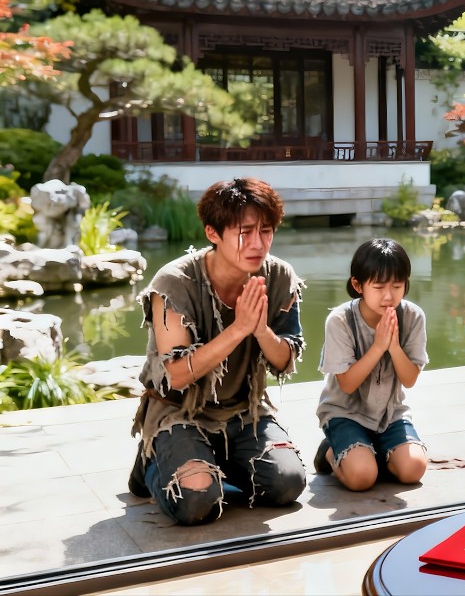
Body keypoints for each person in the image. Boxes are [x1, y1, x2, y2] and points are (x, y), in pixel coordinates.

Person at [128, 177, 307, 526]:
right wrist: (239, 328)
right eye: (245, 232)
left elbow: (285, 361)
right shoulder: (174, 282)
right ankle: (152, 461)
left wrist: (260, 329)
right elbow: (177, 375)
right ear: (213, 232)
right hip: (179, 412)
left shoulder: (279, 275)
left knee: (287, 483)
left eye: (266, 231)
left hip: (243, 411)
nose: (258, 243)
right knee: (196, 503)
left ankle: (214, 459)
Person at [313, 237, 430, 491]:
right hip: (345, 413)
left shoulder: (412, 316)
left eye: (397, 286)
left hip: (390, 414)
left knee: (413, 469)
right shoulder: (341, 320)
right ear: (358, 285)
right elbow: (347, 385)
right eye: (378, 287)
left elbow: (409, 379)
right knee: (362, 478)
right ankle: (332, 452)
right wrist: (378, 347)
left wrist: (394, 347)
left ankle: (370, 451)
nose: (388, 296)